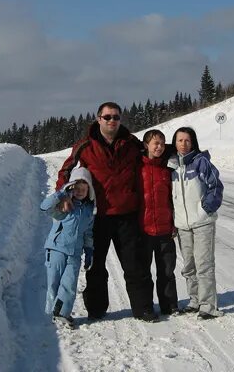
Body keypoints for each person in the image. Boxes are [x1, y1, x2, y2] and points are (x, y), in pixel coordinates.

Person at [56, 102, 157, 322]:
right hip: (97, 216)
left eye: (116, 117)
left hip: (127, 214)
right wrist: (63, 195)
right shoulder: (85, 145)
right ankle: (96, 309)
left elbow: (153, 156)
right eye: (107, 117)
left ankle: (144, 308)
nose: (112, 121)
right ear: (98, 119)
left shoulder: (132, 143)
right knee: (96, 265)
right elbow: (66, 169)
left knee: (134, 264)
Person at [168, 126, 224, 319]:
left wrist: (205, 209)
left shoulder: (201, 162)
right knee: (189, 266)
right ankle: (194, 300)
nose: (183, 144)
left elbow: (215, 185)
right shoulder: (172, 166)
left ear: (193, 143)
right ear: (174, 142)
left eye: (187, 140)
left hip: (202, 223)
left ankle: (208, 306)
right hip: (183, 225)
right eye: (179, 140)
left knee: (204, 264)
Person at [40, 167, 96, 329]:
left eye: (83, 190)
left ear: (89, 191)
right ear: (71, 187)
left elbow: (88, 233)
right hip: (56, 249)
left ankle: (62, 313)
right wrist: (61, 194)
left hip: (74, 253)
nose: (79, 192)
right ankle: (53, 314)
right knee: (54, 283)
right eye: (76, 188)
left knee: (69, 284)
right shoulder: (63, 204)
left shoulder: (88, 210)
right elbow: (44, 207)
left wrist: (89, 251)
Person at [138, 129, 178, 316]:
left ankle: (169, 305)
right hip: (143, 230)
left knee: (167, 271)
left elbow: (175, 198)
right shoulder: (137, 168)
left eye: (162, 143)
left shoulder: (168, 169)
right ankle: (145, 306)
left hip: (165, 229)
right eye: (155, 143)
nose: (159, 147)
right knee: (143, 272)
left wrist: (175, 222)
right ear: (146, 145)